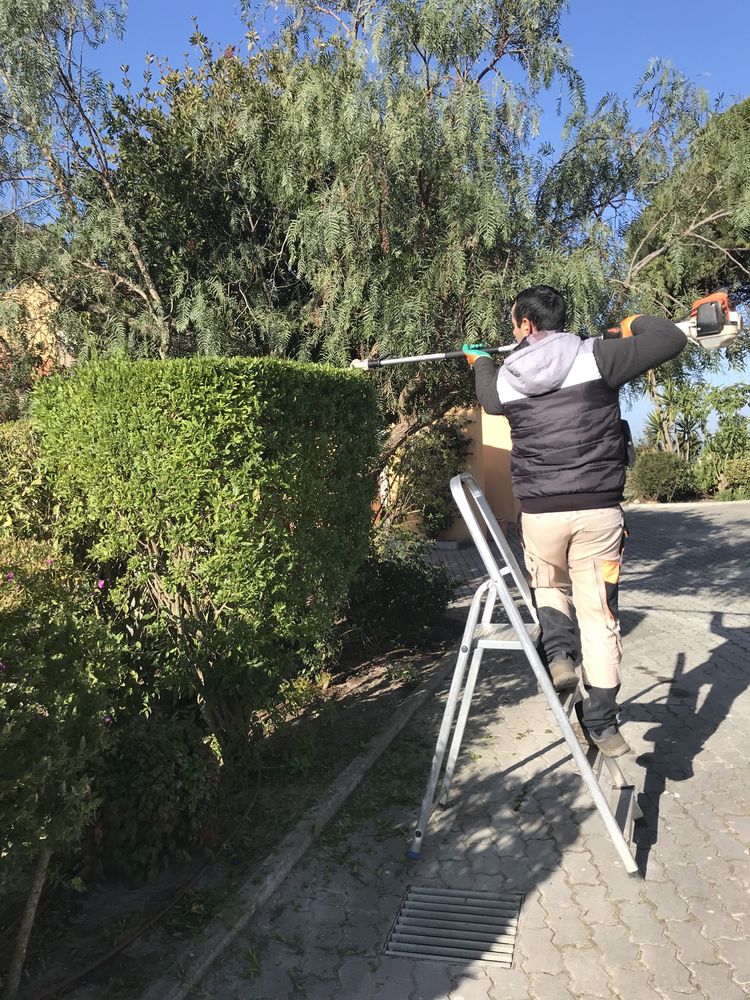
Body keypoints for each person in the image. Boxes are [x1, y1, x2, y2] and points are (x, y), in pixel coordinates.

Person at [463, 285, 686, 757]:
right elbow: (669, 337)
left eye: (514, 322)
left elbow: (488, 398)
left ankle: (560, 655)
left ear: (524, 324)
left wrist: (479, 359)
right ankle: (602, 723)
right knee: (601, 616)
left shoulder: (505, 379)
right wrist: (632, 324)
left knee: (547, 583)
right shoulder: (599, 357)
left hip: (541, 514)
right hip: (599, 513)